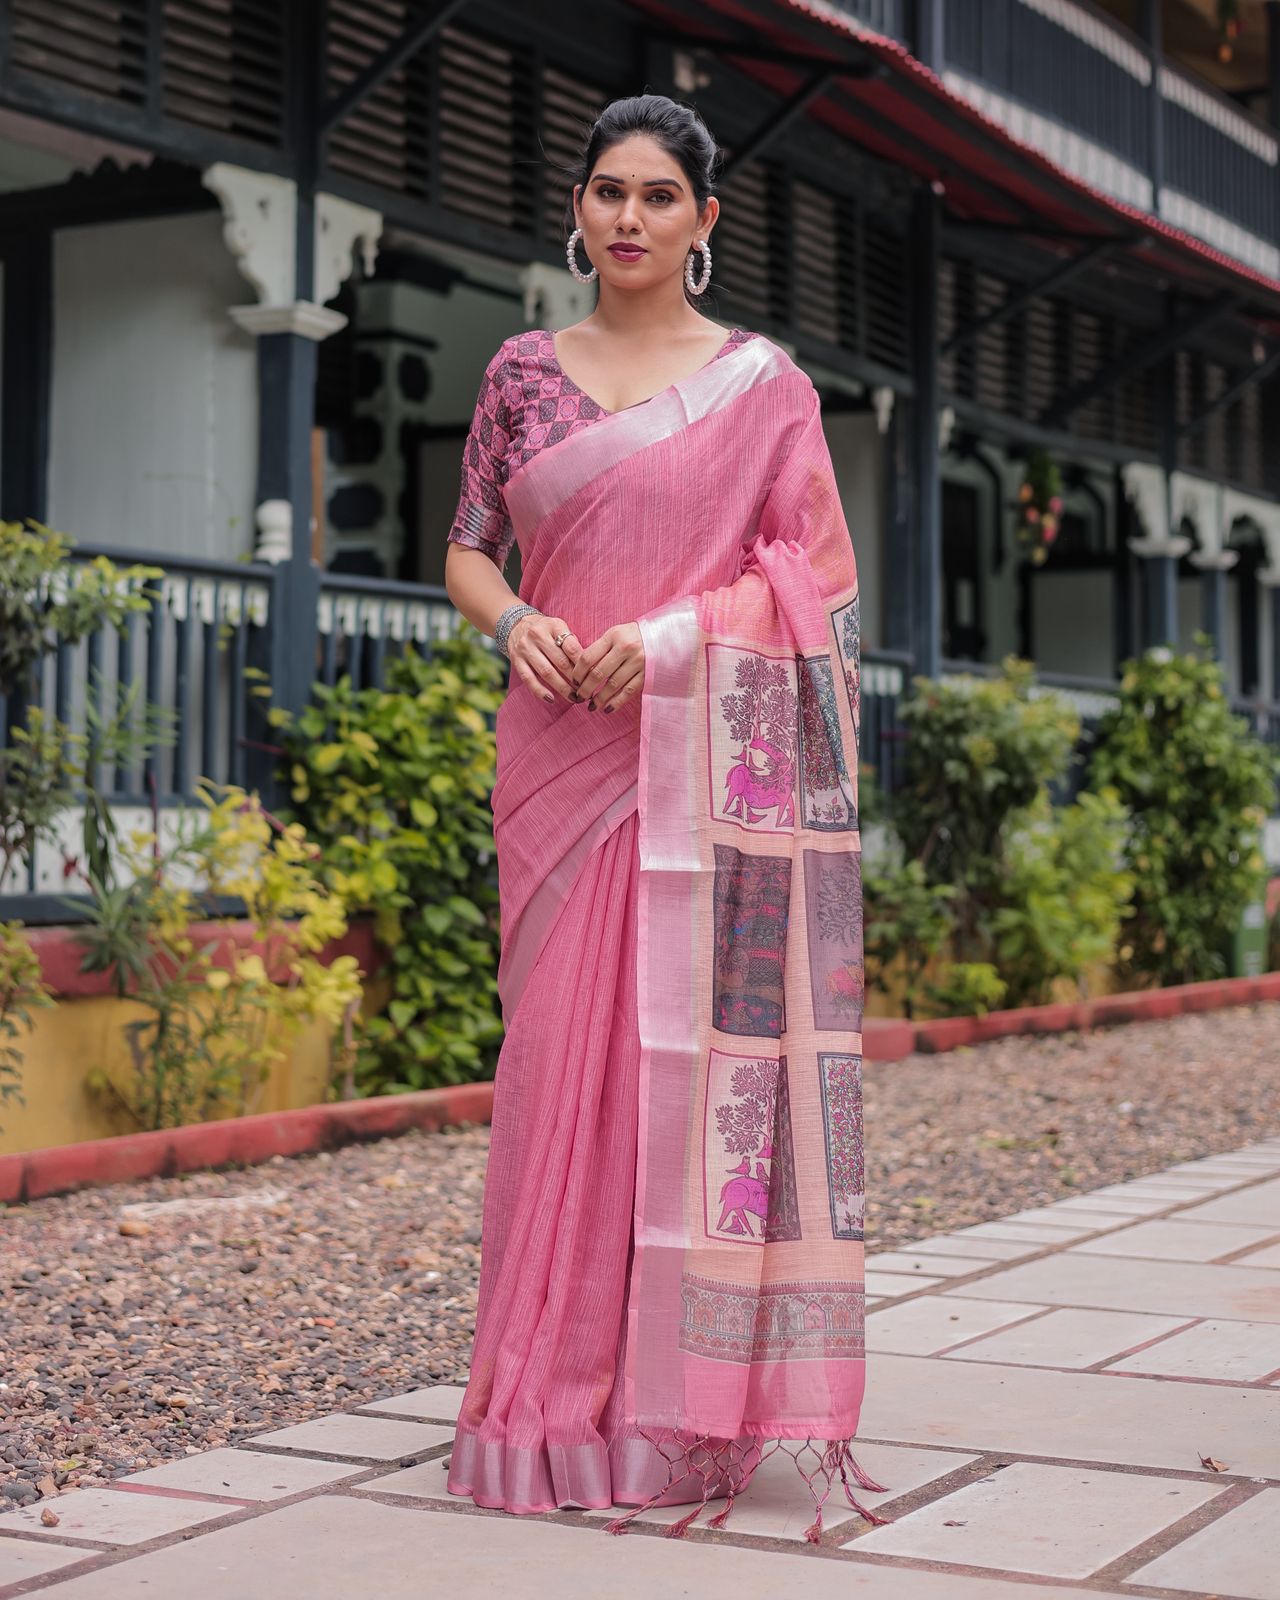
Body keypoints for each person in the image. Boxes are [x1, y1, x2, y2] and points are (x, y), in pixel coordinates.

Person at [441, 92, 880, 1541]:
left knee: (680, 1079)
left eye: (656, 195)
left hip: (700, 769)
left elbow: (820, 572)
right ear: (577, 208)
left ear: (702, 223)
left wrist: (683, 637)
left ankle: (669, 1405)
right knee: (557, 1068)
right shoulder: (521, 371)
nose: (626, 216)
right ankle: (542, 1398)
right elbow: (469, 552)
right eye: (605, 190)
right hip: (559, 753)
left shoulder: (762, 386)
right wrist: (516, 628)